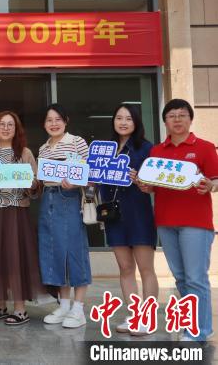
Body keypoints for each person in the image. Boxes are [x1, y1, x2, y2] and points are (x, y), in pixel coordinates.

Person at [138, 99, 218, 342]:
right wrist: (145, 186)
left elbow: (215, 180)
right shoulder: (157, 152)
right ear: (165, 121)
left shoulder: (204, 148)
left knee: (196, 278)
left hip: (196, 223)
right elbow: (154, 185)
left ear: (190, 119)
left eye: (182, 115)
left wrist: (211, 185)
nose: (177, 119)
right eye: (171, 115)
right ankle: (191, 326)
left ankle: (200, 331)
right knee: (181, 278)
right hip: (166, 221)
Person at [0, 111, 45, 326]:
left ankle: (20, 309)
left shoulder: (24, 152)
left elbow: (37, 185)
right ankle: (1, 305)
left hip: (15, 213)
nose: (5, 128)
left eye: (10, 125)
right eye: (1, 124)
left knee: (15, 258)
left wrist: (31, 183)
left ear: (16, 129)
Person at [99, 104, 158, 336]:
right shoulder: (106, 149)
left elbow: (154, 184)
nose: (123, 122)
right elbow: (97, 178)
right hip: (114, 214)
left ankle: (148, 318)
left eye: (128, 118)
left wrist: (140, 179)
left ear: (136, 122)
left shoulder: (146, 148)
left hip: (138, 213)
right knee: (125, 268)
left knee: (146, 268)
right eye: (119, 118)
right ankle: (134, 315)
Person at [37, 104, 91, 329]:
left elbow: (91, 173)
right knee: (54, 252)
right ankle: (64, 305)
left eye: (58, 119)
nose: (54, 124)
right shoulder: (43, 148)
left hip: (69, 199)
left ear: (66, 121)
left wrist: (76, 182)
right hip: (48, 199)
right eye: (49, 120)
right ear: (44, 124)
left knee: (74, 251)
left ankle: (78, 308)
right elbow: (43, 178)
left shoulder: (77, 142)